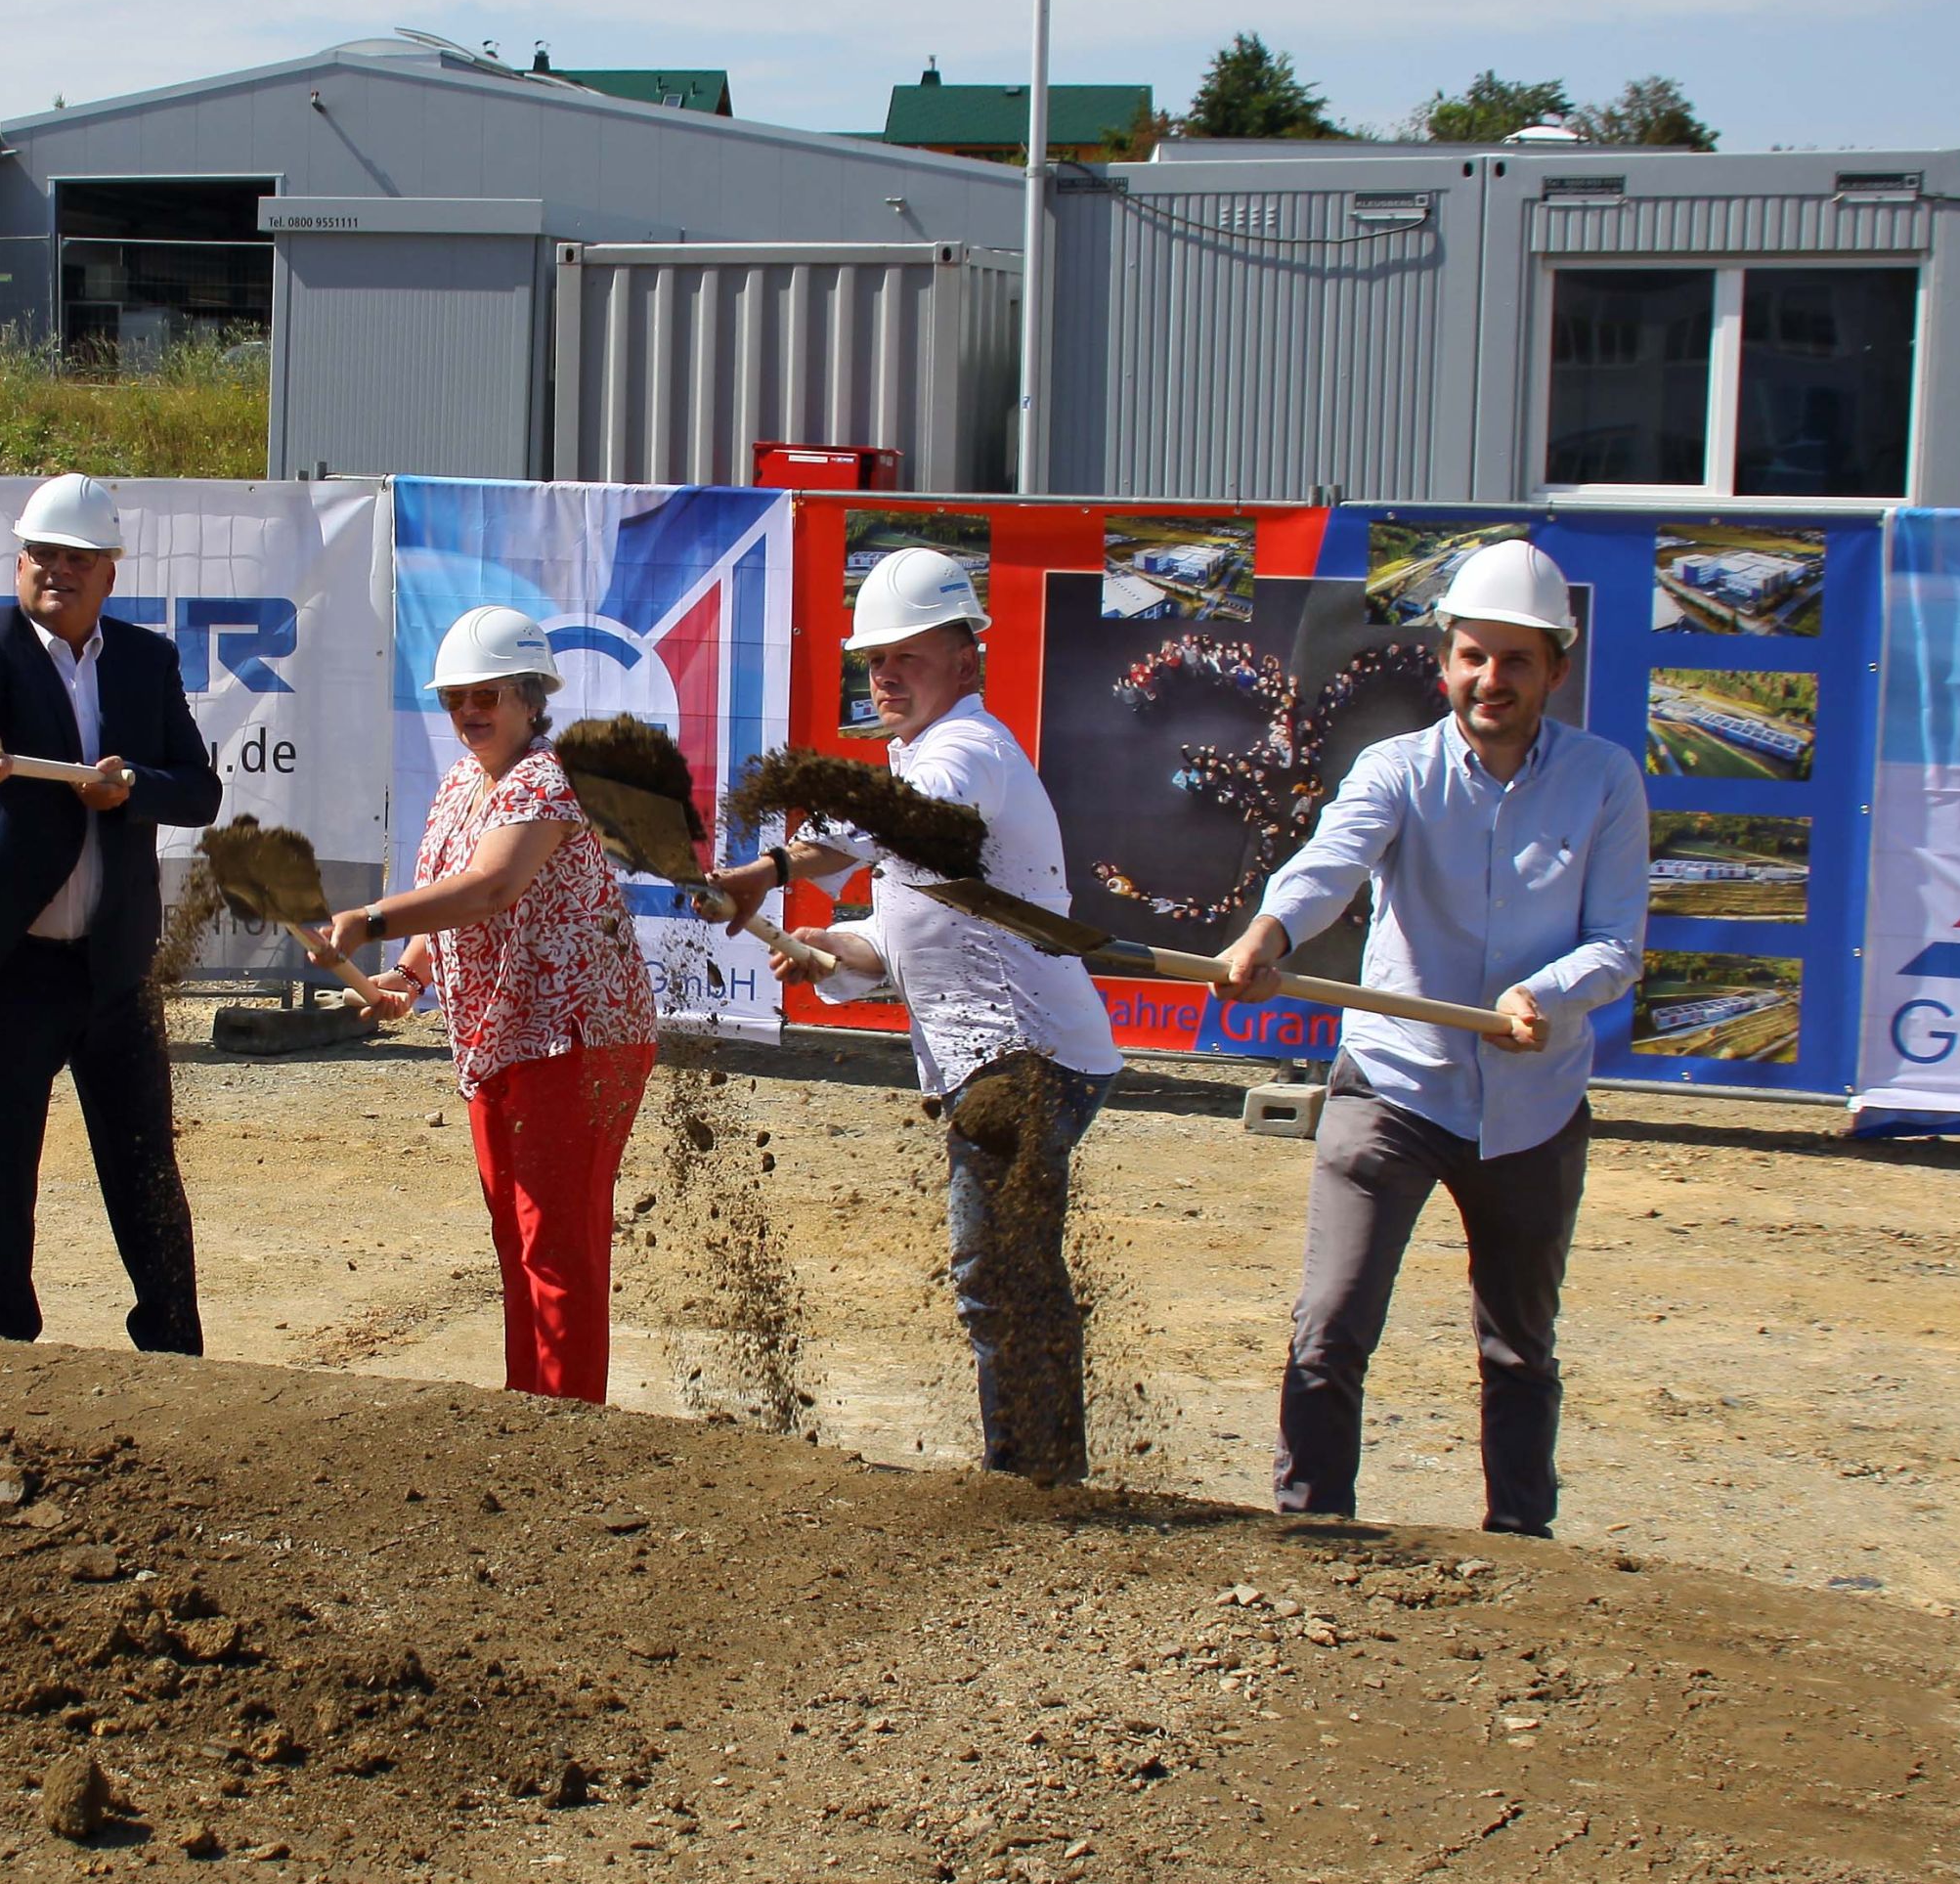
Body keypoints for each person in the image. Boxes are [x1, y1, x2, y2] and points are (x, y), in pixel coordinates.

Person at [1205, 537, 1647, 1539]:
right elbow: (1329, 863)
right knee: (1328, 1329)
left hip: (1531, 1110)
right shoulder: (1394, 770)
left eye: (1516, 660)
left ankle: (1523, 1546)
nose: (1492, 680)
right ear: (1444, 660)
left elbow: (1618, 943)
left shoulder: (1606, 781)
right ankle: (1310, 1529)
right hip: (1393, 1093)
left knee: (1518, 1347)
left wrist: (1545, 992)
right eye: (1474, 656)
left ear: (1554, 670)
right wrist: (1270, 934)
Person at [706, 548, 1124, 1481]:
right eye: (873, 660)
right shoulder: (918, 761)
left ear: (966, 658)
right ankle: (1040, 1471)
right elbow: (892, 951)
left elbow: (901, 817)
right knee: (1005, 1271)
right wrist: (826, 951)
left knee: (997, 1273)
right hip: (1002, 1059)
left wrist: (768, 869)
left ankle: (1037, 1480)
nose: (885, 674)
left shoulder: (968, 750)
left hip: (1029, 1057)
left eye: (908, 655)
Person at [0, 471, 226, 1352]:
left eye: (78, 559)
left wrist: (132, 788)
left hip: (112, 967)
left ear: (109, 574)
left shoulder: (145, 660)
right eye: (43, 555)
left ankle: (172, 1347)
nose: (59, 571)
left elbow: (199, 789)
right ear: (20, 564)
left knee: (144, 1168)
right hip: (5, 962)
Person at [320, 608, 658, 1405]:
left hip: (573, 1038)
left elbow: (491, 887)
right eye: (456, 699)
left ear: (532, 698)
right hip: (504, 1041)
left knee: (554, 1246)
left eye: (489, 695)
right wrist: (405, 970)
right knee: (520, 1239)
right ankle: (528, 1412)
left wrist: (370, 920)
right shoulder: (460, 784)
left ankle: (567, 1425)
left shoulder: (548, 776)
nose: (470, 711)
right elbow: (451, 901)